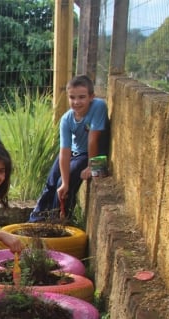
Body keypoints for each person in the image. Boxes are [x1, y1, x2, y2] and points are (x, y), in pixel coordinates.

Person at [29, 75, 109, 222]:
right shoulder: (66, 119)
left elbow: (94, 139)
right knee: (52, 182)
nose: (76, 102)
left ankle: (59, 222)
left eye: (81, 97)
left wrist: (92, 167)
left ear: (91, 97)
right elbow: (64, 152)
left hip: (94, 156)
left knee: (64, 183)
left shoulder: (99, 106)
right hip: (74, 153)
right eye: (72, 97)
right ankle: (35, 221)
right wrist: (64, 182)